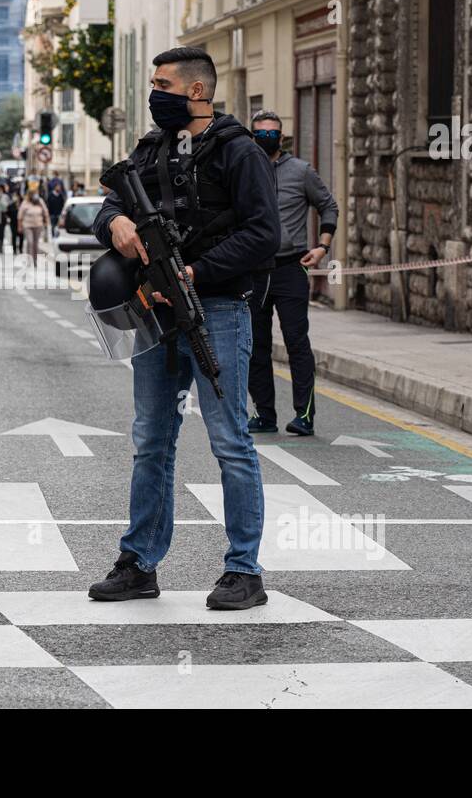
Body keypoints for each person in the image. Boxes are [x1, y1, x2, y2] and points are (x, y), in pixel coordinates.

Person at [87, 46, 281, 611]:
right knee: (151, 439)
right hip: (154, 309)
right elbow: (106, 205)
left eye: (163, 84)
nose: (154, 94)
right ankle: (139, 563)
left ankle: (244, 570)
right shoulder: (149, 149)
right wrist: (117, 222)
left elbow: (263, 235)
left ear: (197, 91)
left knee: (229, 441)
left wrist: (195, 271)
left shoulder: (238, 150)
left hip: (216, 308)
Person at [246, 109, 338, 437]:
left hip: (291, 268)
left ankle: (305, 415)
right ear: (252, 134)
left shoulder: (301, 172)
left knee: (296, 342)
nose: (267, 137)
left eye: (273, 132)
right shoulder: (243, 170)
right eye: (261, 132)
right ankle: (264, 414)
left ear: (281, 137)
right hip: (254, 271)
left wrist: (323, 246)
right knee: (255, 345)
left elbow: (328, 205)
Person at [18, 188, 49, 268]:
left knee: (36, 244)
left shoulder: (40, 201)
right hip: (27, 225)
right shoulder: (25, 202)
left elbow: (45, 211)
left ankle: (35, 260)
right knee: (30, 241)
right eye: (34, 194)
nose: (36, 195)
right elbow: (20, 215)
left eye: (36, 193)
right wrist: (20, 226)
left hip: (38, 224)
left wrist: (46, 221)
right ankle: (29, 259)